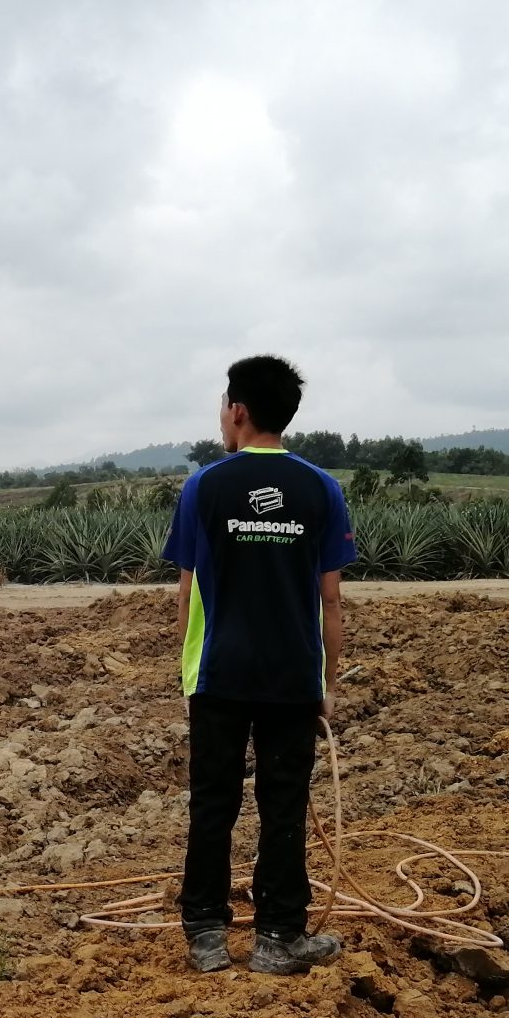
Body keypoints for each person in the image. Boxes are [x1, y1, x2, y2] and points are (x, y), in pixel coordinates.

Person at [161, 354, 355, 973]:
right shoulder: (322, 489)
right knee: (284, 802)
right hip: (291, 675)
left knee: (212, 800)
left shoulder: (203, 487)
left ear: (238, 411)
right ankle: (277, 938)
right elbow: (331, 598)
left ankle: (206, 936)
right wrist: (327, 683)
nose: (222, 415)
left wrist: (187, 665)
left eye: (223, 404)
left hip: (218, 673)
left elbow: (187, 589)